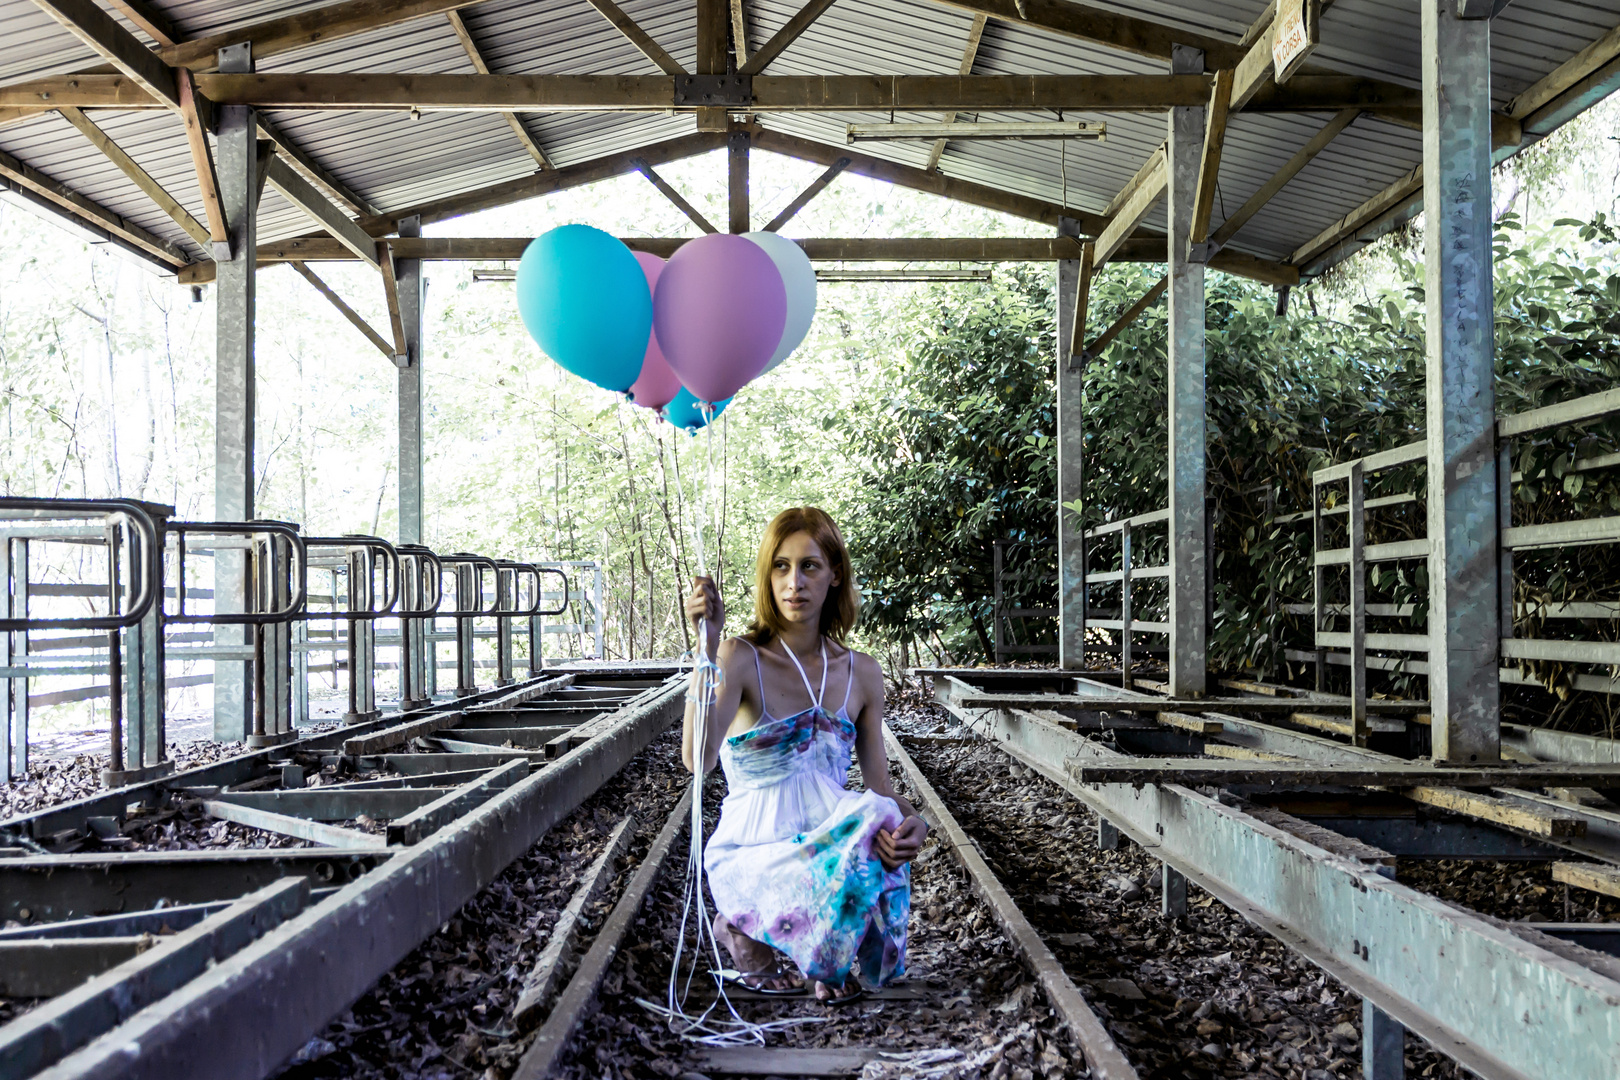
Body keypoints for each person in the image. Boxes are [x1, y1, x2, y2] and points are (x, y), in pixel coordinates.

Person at [682, 507, 929, 1004]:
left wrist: (914, 822)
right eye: (781, 566)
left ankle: (818, 954)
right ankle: (746, 927)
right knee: (858, 834)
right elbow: (697, 759)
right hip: (752, 855)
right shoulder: (741, 657)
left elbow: (878, 790)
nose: (794, 582)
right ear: (767, 576)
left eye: (810, 566)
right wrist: (705, 651)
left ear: (835, 574)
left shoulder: (862, 672)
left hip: (827, 858)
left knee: (874, 817)